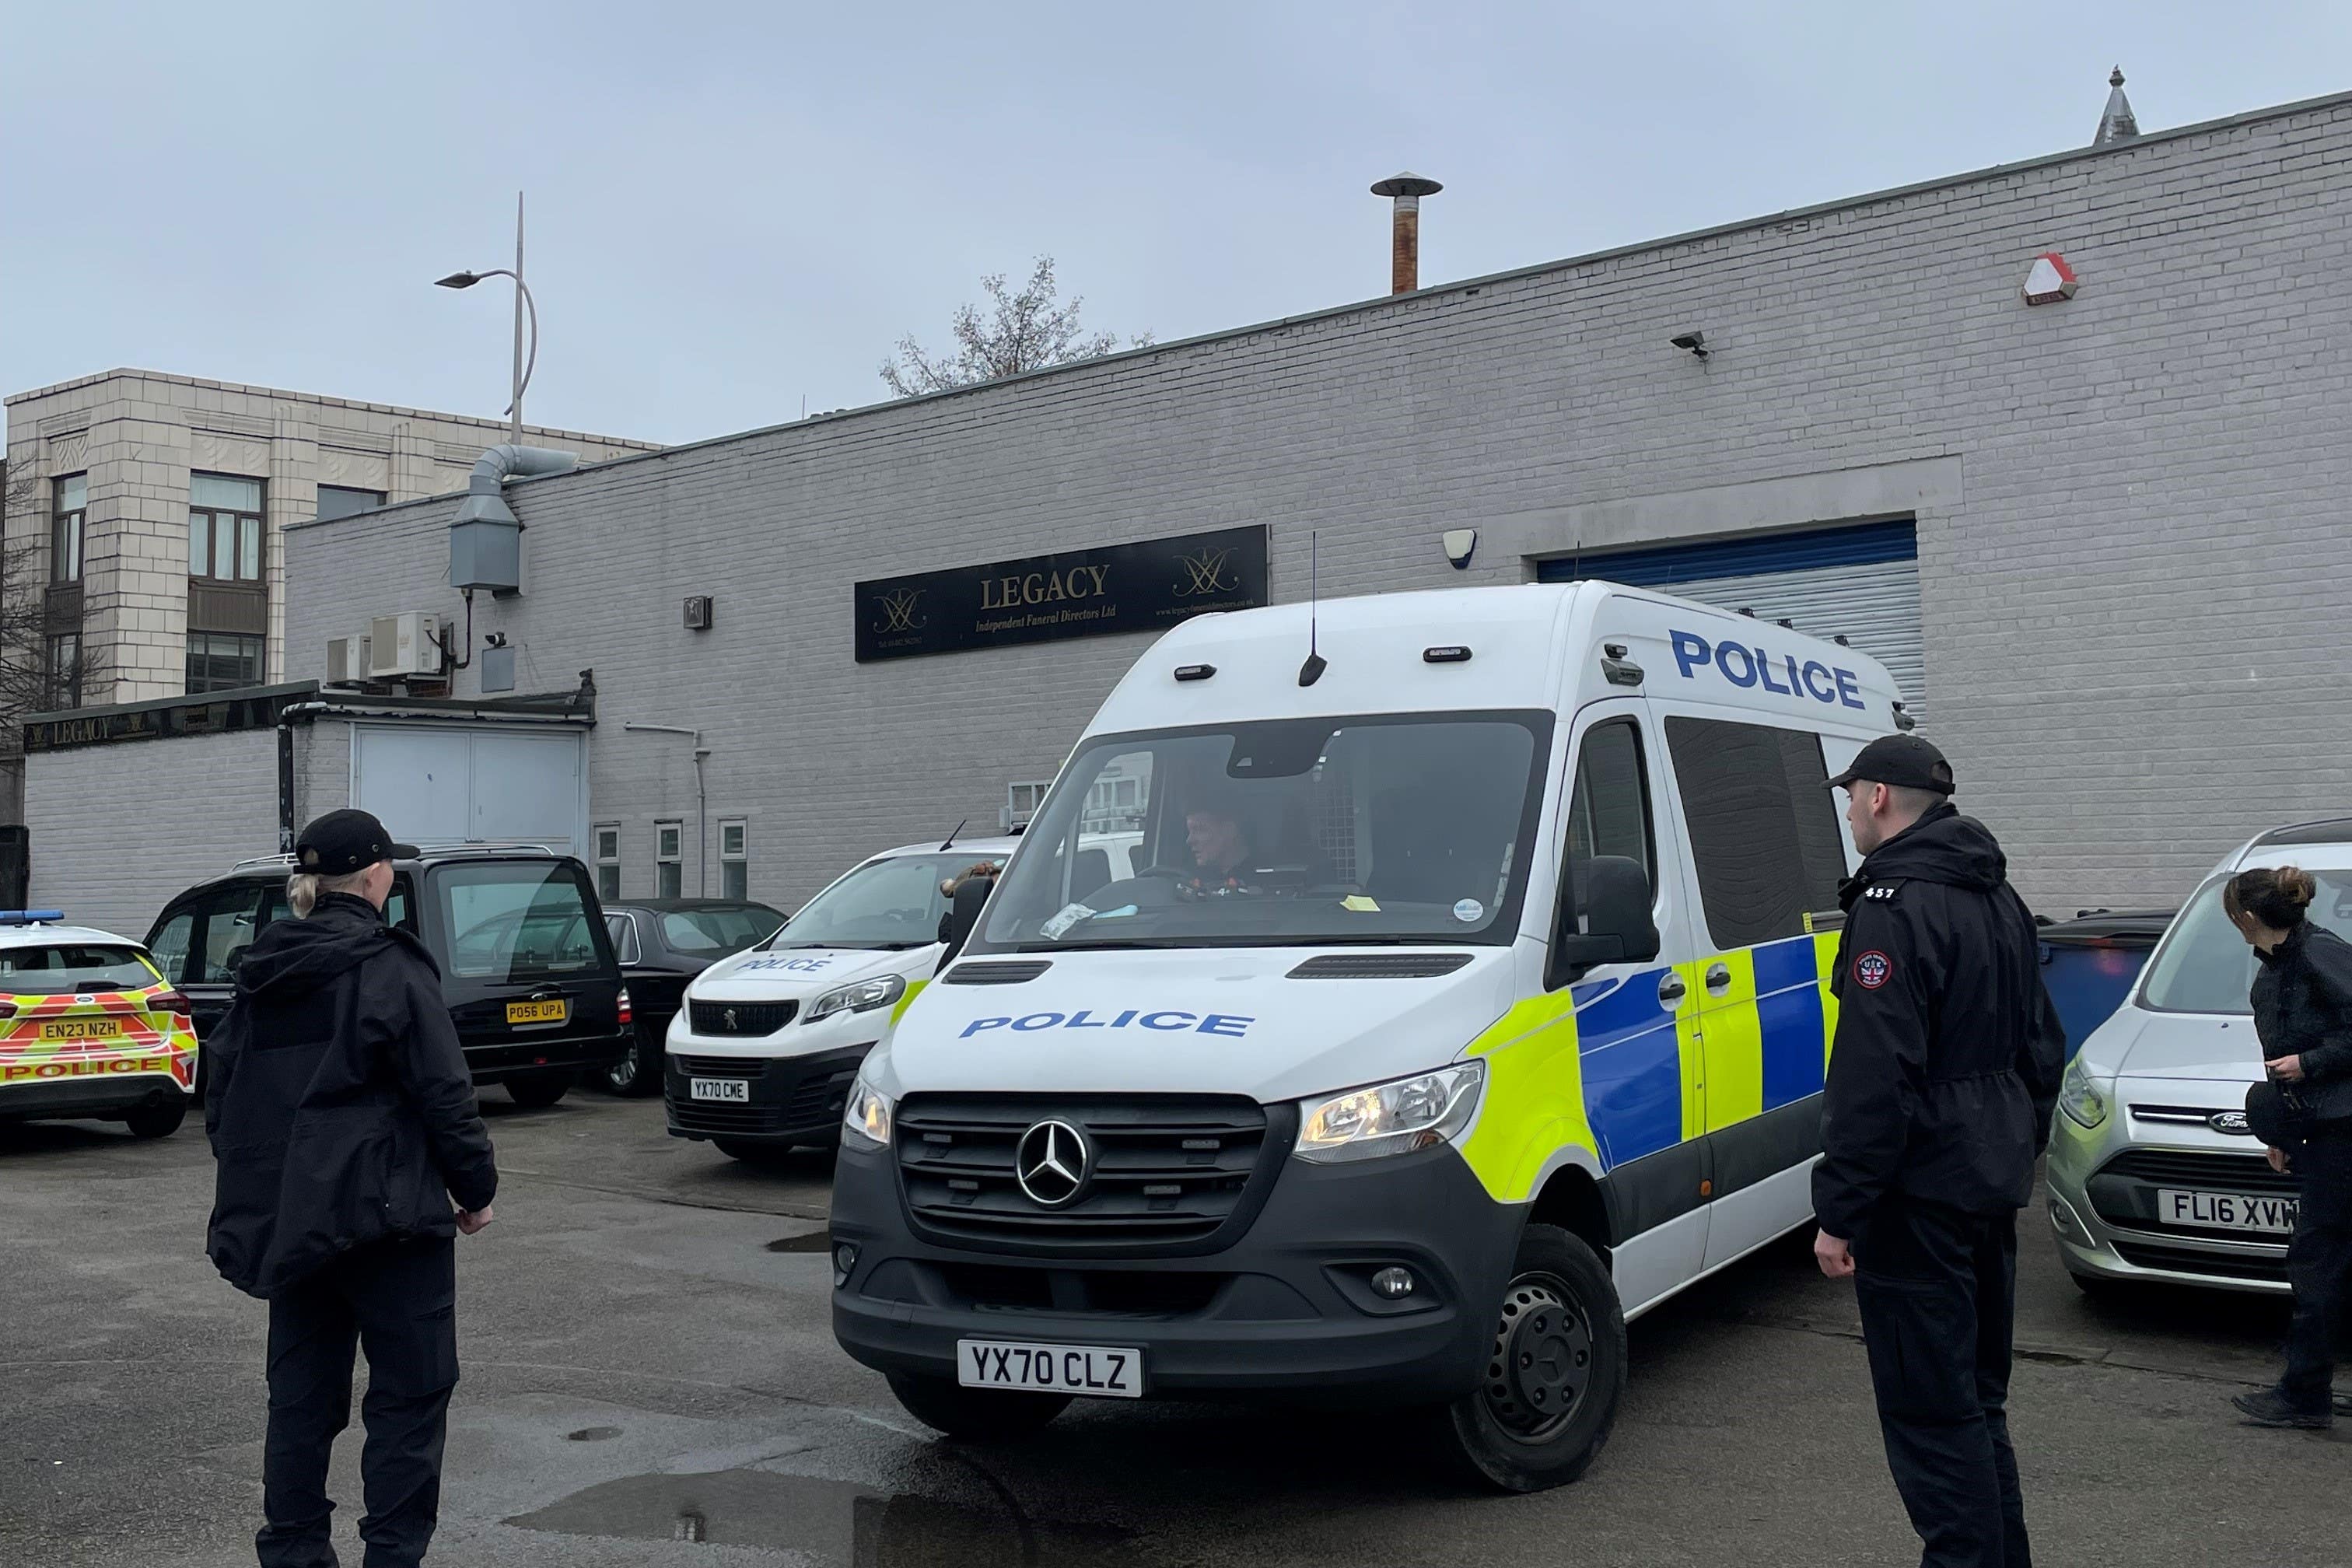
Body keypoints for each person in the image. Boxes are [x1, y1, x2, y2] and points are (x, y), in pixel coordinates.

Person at [204, 809, 499, 1568]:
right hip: (391, 1227)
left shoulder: (262, 972)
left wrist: (271, 1182)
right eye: (389, 868)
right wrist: (474, 1186)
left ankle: (294, 1555)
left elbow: (224, 1095)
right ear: (375, 877)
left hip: (298, 1228)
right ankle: (391, 1559)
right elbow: (445, 1092)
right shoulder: (392, 967)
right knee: (410, 1400)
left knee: (300, 1402)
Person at [1810, 734, 2066, 1568]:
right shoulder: (1998, 897)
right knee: (1976, 1405)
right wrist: (2011, 1143)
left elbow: (1875, 1076)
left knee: (1931, 1413)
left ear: (1879, 796)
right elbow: (2043, 1049)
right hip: (1986, 1182)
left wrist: (1841, 1211)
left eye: (1852, 795)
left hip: (1919, 1197)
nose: (1848, 808)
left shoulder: (1894, 904)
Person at [2221, 863, 2352, 1430]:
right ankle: (2308, 1390)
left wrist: (2310, 1064)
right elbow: (2281, 1050)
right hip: (2320, 1130)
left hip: (2345, 1132)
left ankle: (2305, 1396)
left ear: (2247, 918)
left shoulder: (2319, 955)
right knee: (2329, 1262)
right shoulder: (2277, 967)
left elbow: (2315, 1051)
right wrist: (2283, 1132)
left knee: (2317, 1261)